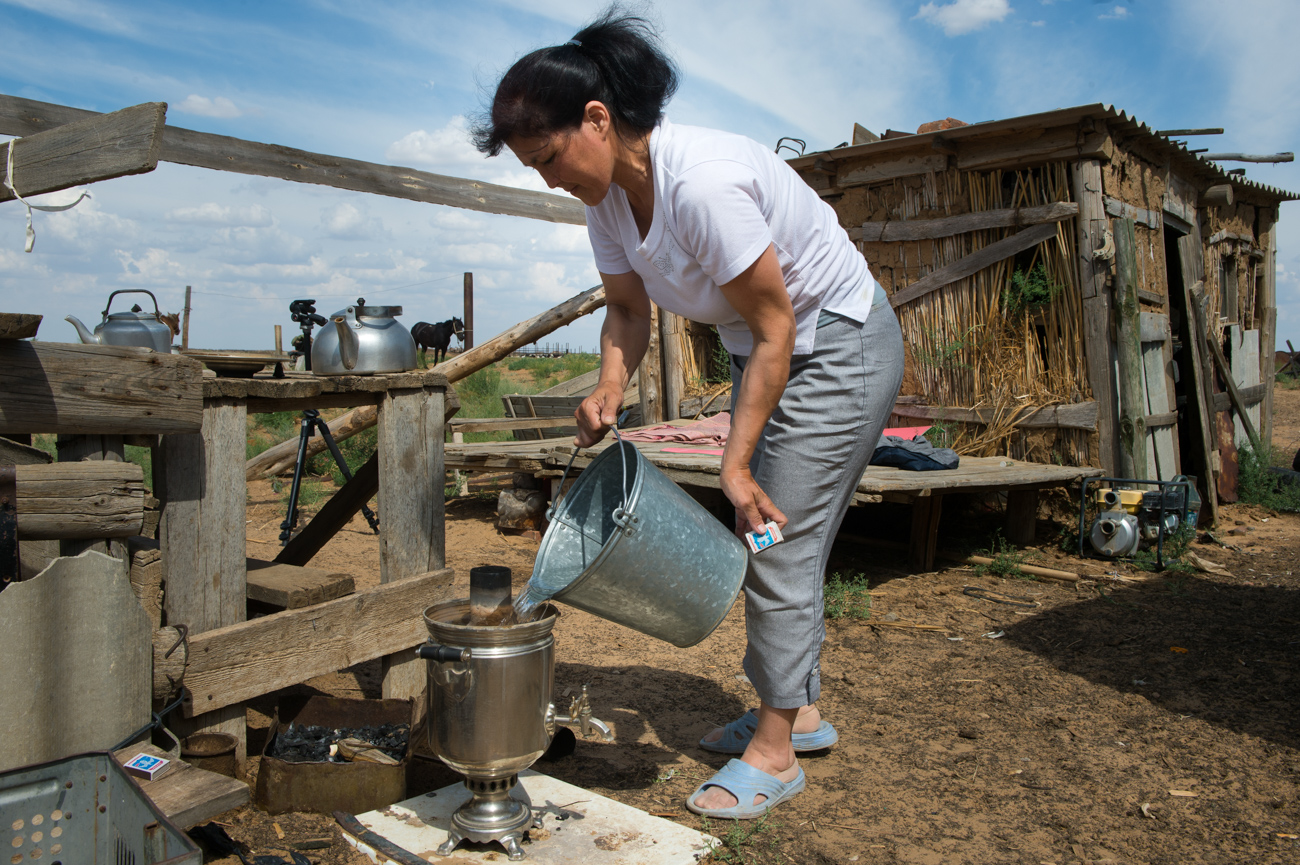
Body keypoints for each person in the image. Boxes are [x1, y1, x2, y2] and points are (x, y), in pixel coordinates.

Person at [473, 8, 904, 820]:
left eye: (549, 156)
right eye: (533, 166)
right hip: (768, 352)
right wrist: (607, 386)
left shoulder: (700, 183)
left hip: (836, 345)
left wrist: (734, 467)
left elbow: (780, 325)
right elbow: (629, 314)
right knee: (777, 530)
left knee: (774, 530)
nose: (546, 177)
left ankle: (774, 753)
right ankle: (798, 711)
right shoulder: (606, 200)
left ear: (597, 119)